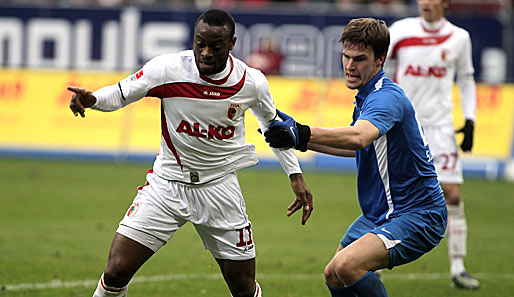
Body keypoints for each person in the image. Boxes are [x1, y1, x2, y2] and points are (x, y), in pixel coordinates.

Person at [68, 9, 313, 297]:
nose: (206, 53)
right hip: (167, 185)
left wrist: (295, 176)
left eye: (215, 46)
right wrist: (93, 99)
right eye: (200, 44)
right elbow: (122, 93)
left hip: (219, 189)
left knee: (243, 287)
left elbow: (274, 127)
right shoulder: (167, 69)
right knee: (115, 271)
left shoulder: (251, 82)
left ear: (232, 44)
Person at [264, 18, 447, 297]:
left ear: (380, 60)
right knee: (334, 274)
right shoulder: (365, 97)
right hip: (380, 213)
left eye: (359, 59)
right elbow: (358, 148)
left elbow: (359, 136)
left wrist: (301, 133)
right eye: (346, 57)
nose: (350, 66)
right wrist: (303, 140)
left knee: (348, 265)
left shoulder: (386, 97)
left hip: (418, 213)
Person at [385, 0, 479, 289]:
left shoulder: (459, 37)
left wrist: (470, 118)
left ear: (445, 3)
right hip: (404, 124)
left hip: (440, 127)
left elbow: (466, 79)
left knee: (451, 194)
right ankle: (371, 263)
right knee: (388, 197)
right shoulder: (400, 30)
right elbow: (382, 70)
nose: (425, 2)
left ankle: (458, 268)